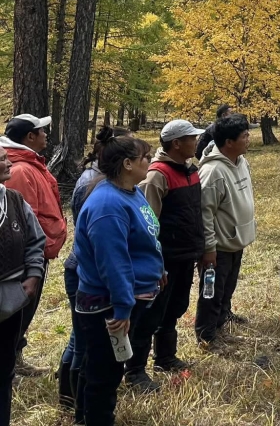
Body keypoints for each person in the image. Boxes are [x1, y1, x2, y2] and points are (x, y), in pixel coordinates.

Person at [73, 136, 162, 426]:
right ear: (127, 164)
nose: (149, 161)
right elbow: (114, 263)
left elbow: (144, 239)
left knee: (103, 367)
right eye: (144, 157)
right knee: (104, 373)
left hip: (127, 297)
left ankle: (86, 417)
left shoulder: (131, 192)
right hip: (108, 304)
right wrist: (122, 308)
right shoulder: (107, 205)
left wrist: (157, 268)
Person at [126, 119, 206, 393]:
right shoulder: (157, 175)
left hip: (185, 254)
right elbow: (148, 225)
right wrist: (155, 263)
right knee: (149, 315)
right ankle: (135, 370)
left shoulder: (190, 170)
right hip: (163, 260)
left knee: (175, 307)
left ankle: (165, 356)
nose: (196, 143)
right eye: (192, 139)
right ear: (176, 143)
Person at [58, 125, 129, 411]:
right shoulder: (98, 186)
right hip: (86, 273)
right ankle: (74, 402)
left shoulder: (103, 180)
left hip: (88, 271)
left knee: (82, 339)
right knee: (84, 343)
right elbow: (101, 242)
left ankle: (73, 400)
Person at [1, 113, 67, 377]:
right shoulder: (20, 169)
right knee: (16, 310)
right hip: (26, 263)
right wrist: (32, 264)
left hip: (39, 255)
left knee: (24, 312)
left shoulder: (30, 164)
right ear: (30, 136)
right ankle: (10, 361)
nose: (46, 135)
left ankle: (14, 358)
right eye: (42, 131)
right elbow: (23, 222)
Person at [194, 114, 256, 345]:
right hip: (219, 246)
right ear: (229, 142)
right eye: (244, 136)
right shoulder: (212, 172)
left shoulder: (241, 162)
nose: (249, 139)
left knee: (227, 286)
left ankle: (223, 317)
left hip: (236, 240)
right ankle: (206, 334)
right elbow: (204, 214)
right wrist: (209, 249)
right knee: (212, 291)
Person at [0, 144, 46, 426]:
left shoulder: (15, 201)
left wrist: (31, 277)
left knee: (3, 370)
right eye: (3, 160)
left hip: (10, 301)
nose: (9, 163)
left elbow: (35, 241)